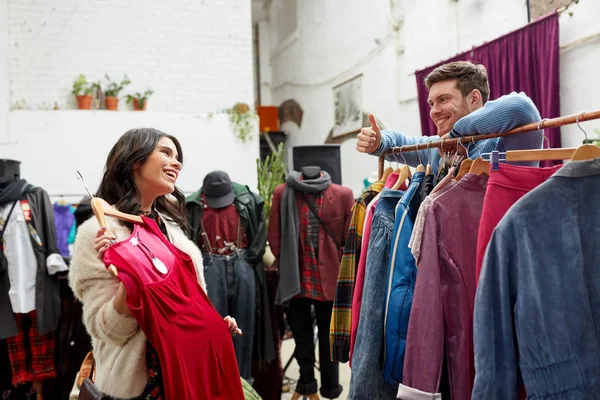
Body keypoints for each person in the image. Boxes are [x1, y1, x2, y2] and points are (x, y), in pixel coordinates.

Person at [69, 128, 244, 400]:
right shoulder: (98, 234)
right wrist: (131, 283)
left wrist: (212, 324)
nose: (177, 163)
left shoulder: (173, 230)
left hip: (192, 373)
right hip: (142, 385)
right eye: (166, 153)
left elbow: (185, 303)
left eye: (178, 157)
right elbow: (105, 330)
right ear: (135, 160)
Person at [356, 61, 544, 171]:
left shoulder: (507, 143)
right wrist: (378, 142)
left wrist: (455, 136)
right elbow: (401, 141)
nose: (434, 111)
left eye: (443, 99)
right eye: (431, 104)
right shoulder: (438, 151)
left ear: (474, 98)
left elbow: (521, 106)